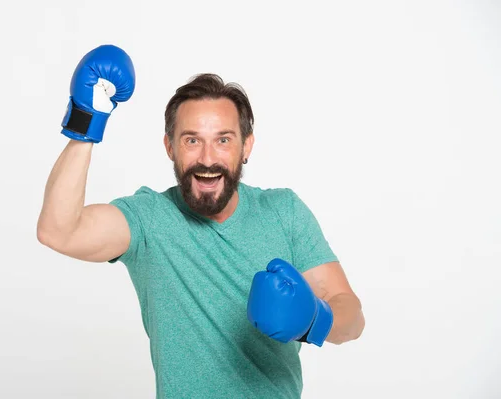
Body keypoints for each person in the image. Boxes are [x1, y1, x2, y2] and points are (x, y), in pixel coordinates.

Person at [37, 44, 365, 399]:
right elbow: (59, 231)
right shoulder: (149, 220)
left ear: (246, 147)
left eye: (223, 140)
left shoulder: (283, 211)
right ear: (170, 147)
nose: (207, 158)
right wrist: (86, 121)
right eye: (192, 140)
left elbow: (352, 318)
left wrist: (315, 319)